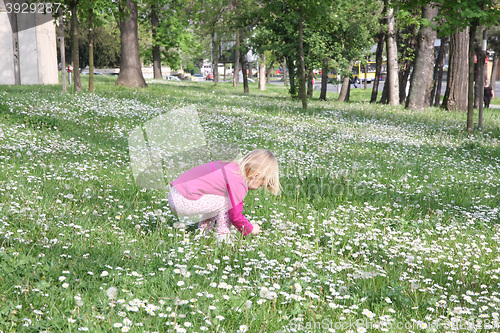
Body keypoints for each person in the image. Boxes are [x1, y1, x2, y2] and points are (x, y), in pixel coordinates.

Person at [168, 149, 280, 240]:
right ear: (256, 175)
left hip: (175, 193)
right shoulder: (238, 181)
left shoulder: (230, 168)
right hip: (183, 200)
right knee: (226, 202)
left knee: (219, 200)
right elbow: (235, 215)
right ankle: (223, 238)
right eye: (261, 184)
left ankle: (203, 234)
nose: (258, 188)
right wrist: (249, 229)